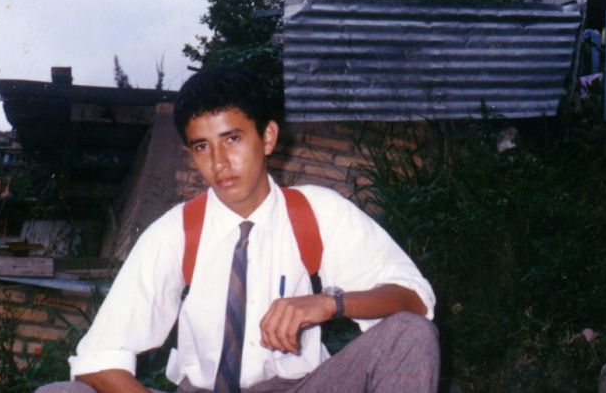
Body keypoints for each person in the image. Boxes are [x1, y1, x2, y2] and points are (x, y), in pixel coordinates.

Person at [37, 68, 439, 393]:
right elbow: (98, 358)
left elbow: (415, 300)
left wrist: (328, 303)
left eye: (232, 138)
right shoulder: (175, 233)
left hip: (299, 388)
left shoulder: (316, 212)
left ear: (267, 137)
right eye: (202, 146)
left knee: (410, 333)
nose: (219, 162)